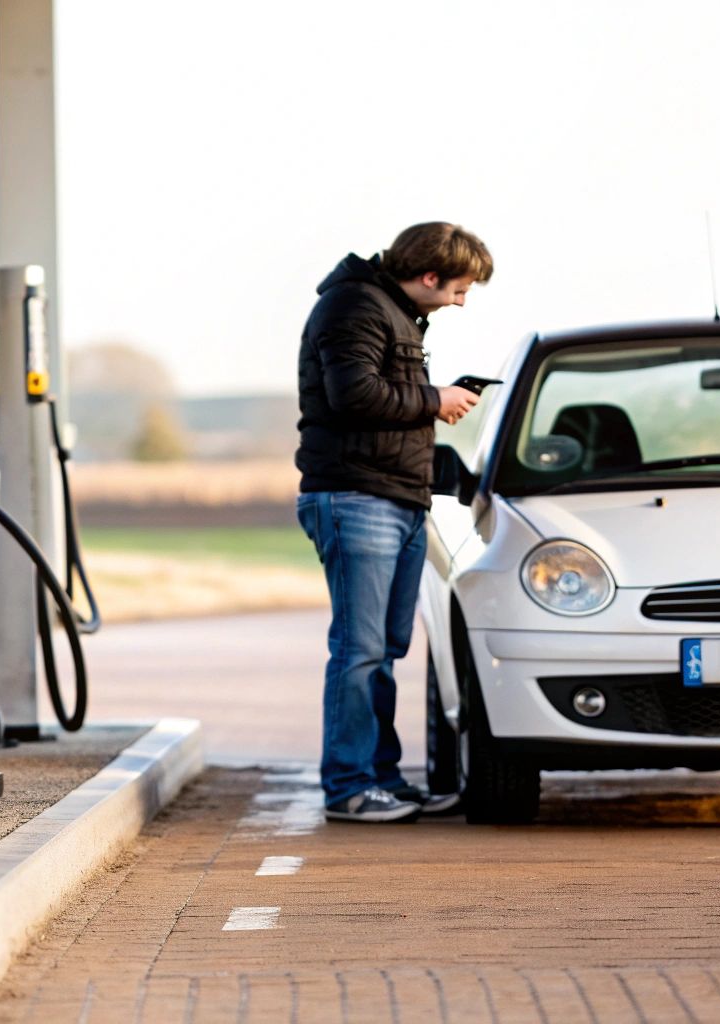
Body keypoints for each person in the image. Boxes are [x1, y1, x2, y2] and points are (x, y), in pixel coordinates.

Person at [294, 222, 492, 823]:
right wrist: (437, 399)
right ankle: (350, 788)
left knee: (383, 650)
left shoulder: (395, 313)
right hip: (357, 498)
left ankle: (380, 779)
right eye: (460, 289)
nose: (462, 301)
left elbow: (378, 407)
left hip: (399, 498)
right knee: (359, 651)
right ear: (430, 276)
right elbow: (354, 395)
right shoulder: (355, 306)